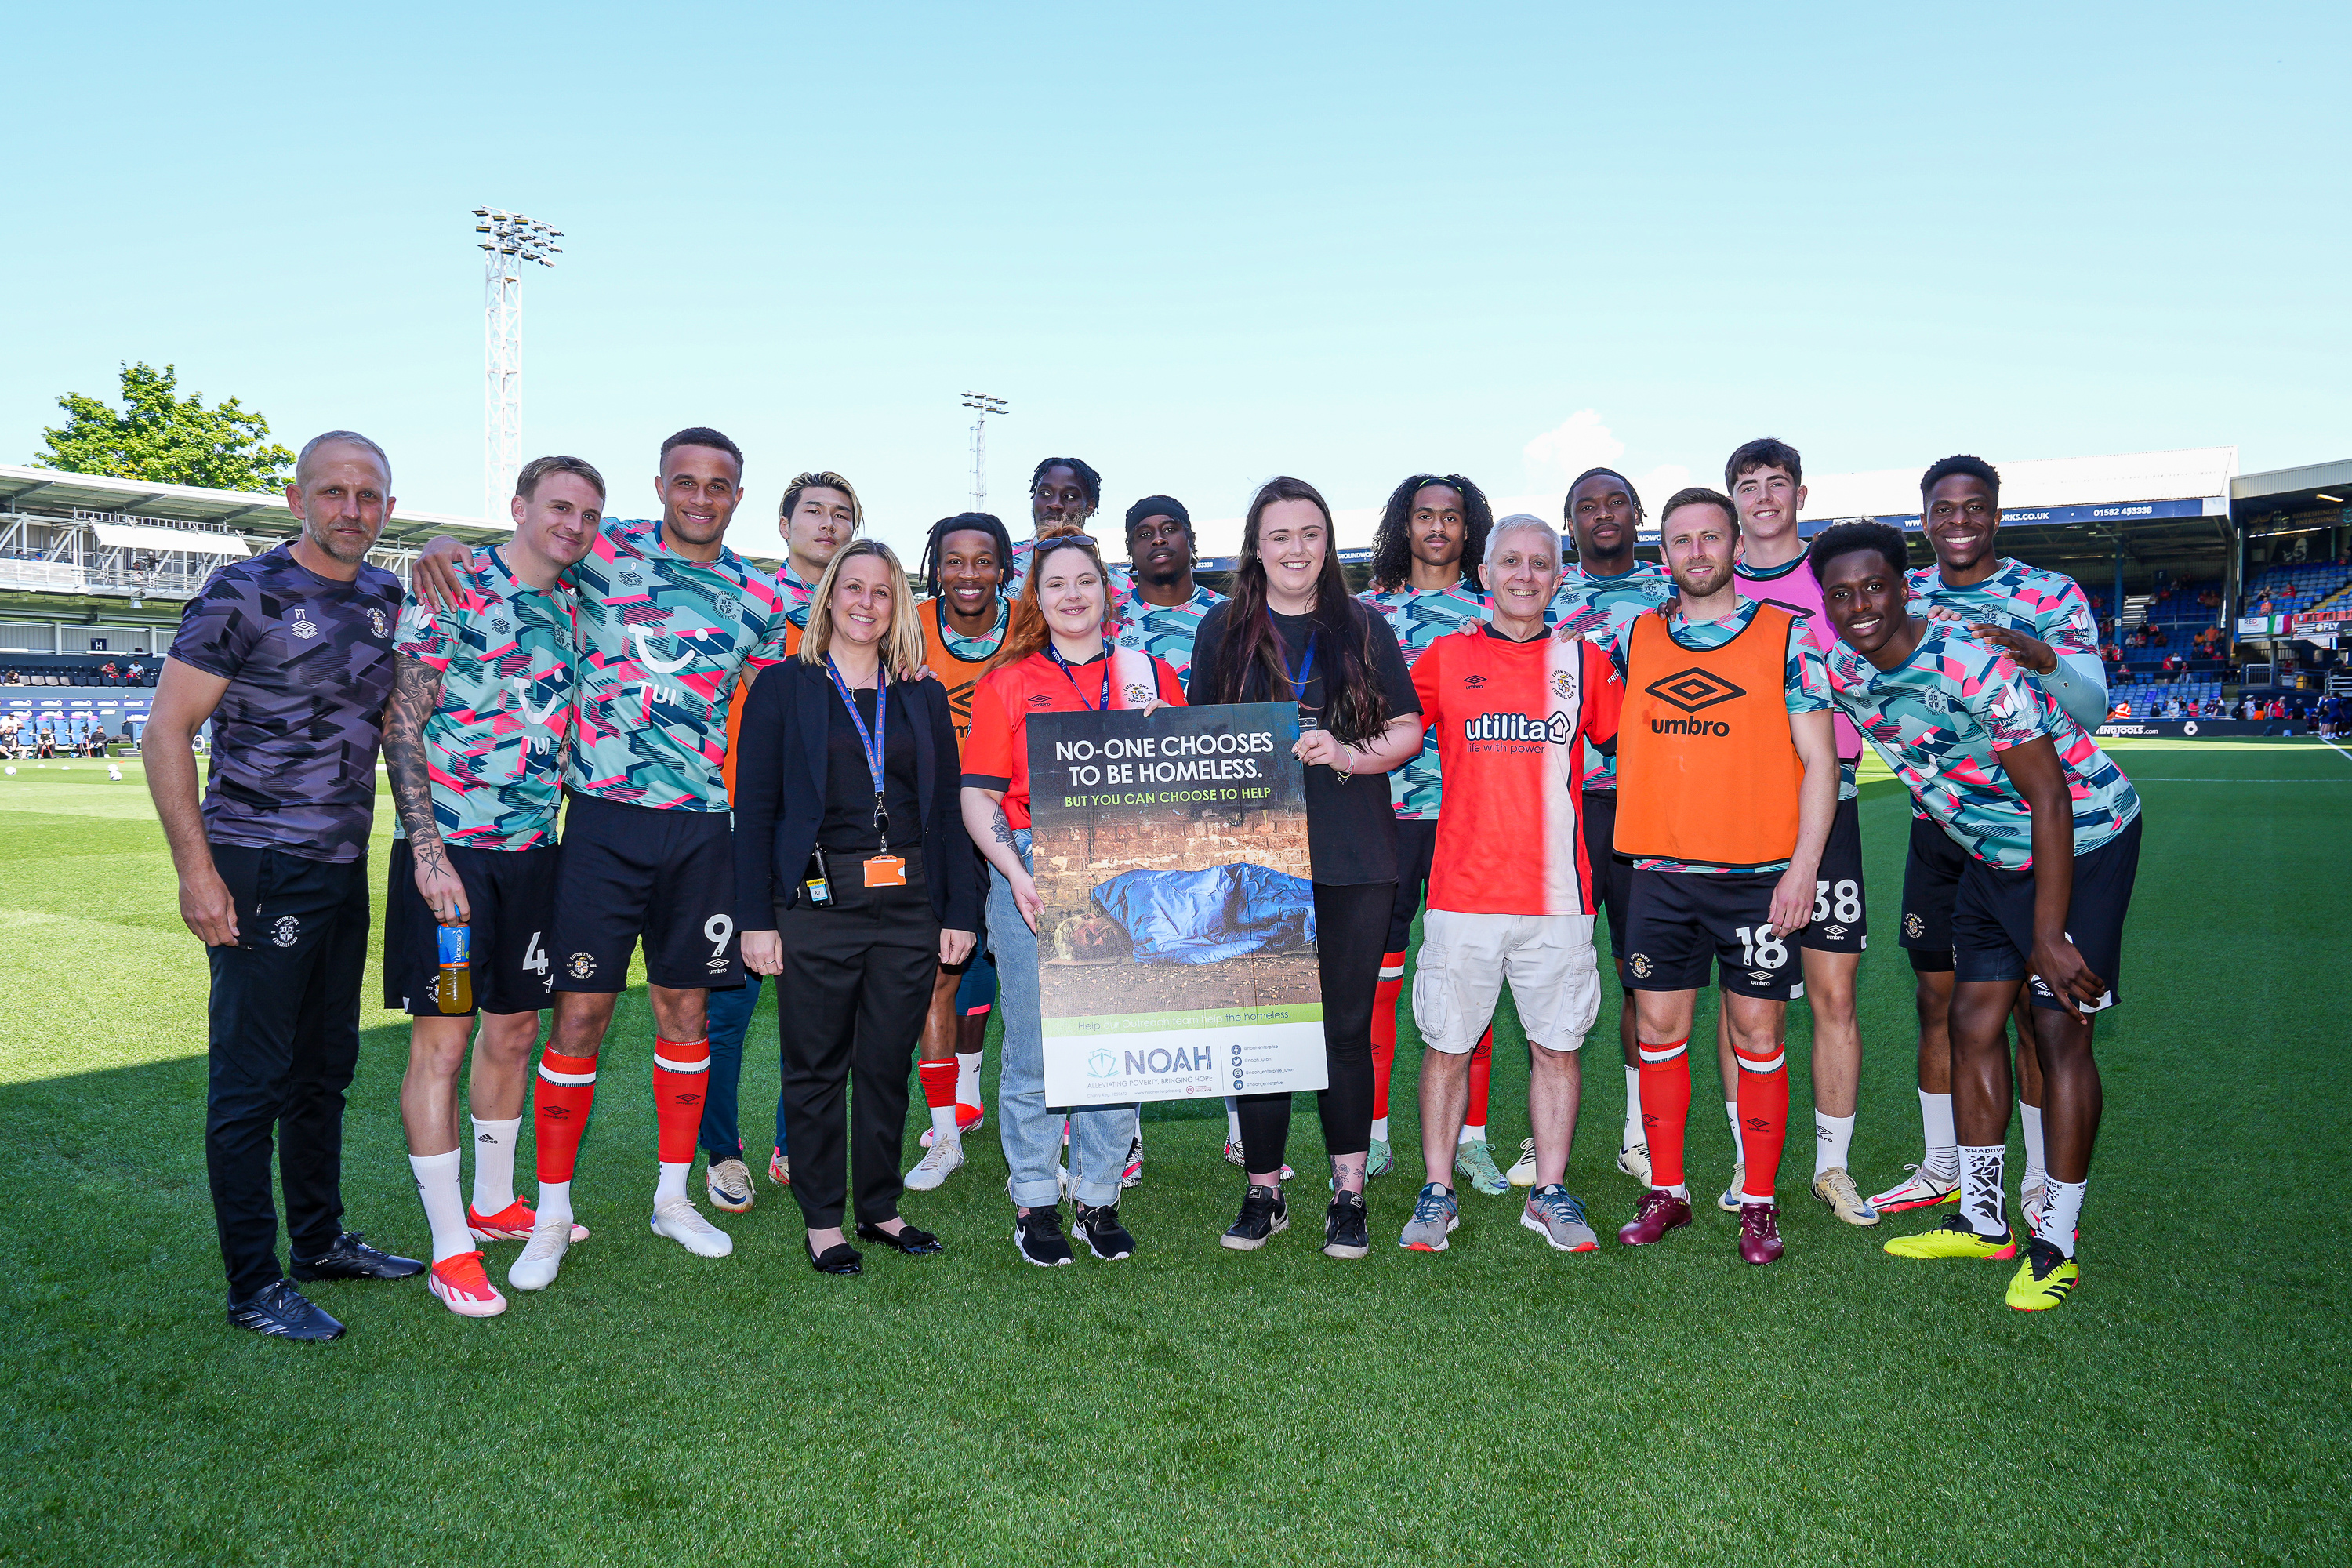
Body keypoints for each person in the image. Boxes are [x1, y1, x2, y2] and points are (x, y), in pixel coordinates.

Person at [412, 427, 795, 1291]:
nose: (701, 497)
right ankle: (549, 1211)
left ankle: (672, 1198)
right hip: (600, 824)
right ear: (660, 486)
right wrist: (442, 544)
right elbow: (523, 548)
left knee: (685, 1013)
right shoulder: (603, 547)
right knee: (578, 1018)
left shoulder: (762, 593)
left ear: (738, 496)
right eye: (686, 482)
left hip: (701, 829)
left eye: (719, 486)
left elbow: (784, 695)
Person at [1813, 521, 2141, 1311]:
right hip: (1989, 852)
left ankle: (2055, 1243)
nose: (1861, 606)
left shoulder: (1968, 661)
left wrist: (2048, 936)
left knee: (2059, 1029)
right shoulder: (1841, 667)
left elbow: (2050, 797)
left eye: (1875, 586)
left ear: (1905, 587)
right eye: (1842, 594)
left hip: (2084, 837)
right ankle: (1983, 1218)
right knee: (1971, 1021)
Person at [145, 430, 422, 1341]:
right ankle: (253, 1283)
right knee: (250, 1079)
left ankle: (320, 1239)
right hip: (257, 863)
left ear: (387, 507)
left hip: (340, 867)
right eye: (333, 491)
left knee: (324, 1068)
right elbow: (167, 729)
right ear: (298, 498)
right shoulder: (243, 591)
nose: (352, 508)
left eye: (369, 495)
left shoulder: (387, 597)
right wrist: (196, 870)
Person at [381, 455, 604, 1318]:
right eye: (559, 507)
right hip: (452, 854)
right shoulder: (455, 584)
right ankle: (450, 1248)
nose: (573, 526)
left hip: (534, 853)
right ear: (519, 507)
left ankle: (494, 1201)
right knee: (443, 1042)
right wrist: (427, 853)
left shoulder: (578, 601)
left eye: (588, 514)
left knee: (513, 1030)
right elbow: (401, 721)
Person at [1187, 477, 1427, 1260]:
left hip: (1354, 851)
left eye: (1311, 533)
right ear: (1256, 547)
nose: (1297, 549)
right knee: (1263, 1026)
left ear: (1328, 542)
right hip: (1256, 858)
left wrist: (1347, 752)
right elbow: (1198, 737)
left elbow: (1409, 729)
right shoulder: (1222, 628)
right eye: (1281, 535)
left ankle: (1348, 1193)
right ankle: (1265, 1189)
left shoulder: (1364, 624)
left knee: (1345, 1028)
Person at [735, 540, 978, 1275]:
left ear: (897, 605)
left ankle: (878, 1207)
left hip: (910, 904)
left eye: (881, 591)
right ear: (829, 598)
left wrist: (959, 911)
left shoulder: (920, 694)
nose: (866, 603)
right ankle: (822, 1220)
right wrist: (757, 919)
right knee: (815, 1066)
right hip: (816, 901)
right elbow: (756, 809)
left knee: (884, 1064)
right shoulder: (784, 687)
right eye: (853, 588)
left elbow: (945, 808)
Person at [1872, 454, 2106, 1221]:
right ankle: (1943, 1166)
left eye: (1975, 506)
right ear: (1924, 521)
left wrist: (2044, 658)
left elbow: (2093, 707)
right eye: (1944, 509)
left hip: (2031, 828)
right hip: (1940, 827)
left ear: (1997, 515)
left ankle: (2039, 1178)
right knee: (1939, 1000)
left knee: (2037, 1010)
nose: (1960, 521)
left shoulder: (2049, 593)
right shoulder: (1903, 592)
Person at [1610, 487, 1836, 1267]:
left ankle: (1760, 1202)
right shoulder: (1635, 638)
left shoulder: (1788, 635)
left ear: (1737, 545)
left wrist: (1803, 868)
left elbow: (1821, 762)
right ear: (1663, 554)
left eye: (1710, 537)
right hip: (1660, 872)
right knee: (1658, 1033)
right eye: (1681, 540)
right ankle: (1666, 1191)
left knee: (1759, 1037)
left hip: (1756, 878)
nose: (1697, 552)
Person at [1399, 514, 1622, 1254]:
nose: (1525, 575)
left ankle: (1549, 1192)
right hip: (1462, 894)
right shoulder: (1446, 655)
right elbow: (1389, 728)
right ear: (1485, 573)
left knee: (1557, 1048)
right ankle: (1438, 1192)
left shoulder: (1583, 661)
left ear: (1559, 577)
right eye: (1511, 561)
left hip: (1559, 899)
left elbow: (1635, 745)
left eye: (1540, 563)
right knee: (1447, 1047)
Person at [961, 528, 1183, 1266]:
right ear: (1038, 597)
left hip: (1127, 870)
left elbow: (1191, 781)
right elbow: (978, 796)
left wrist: (1167, 739)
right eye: (1055, 584)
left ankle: (1097, 1196)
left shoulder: (1150, 674)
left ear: (1106, 590)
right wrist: (1015, 874)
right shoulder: (1009, 681)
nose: (1072, 595)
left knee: (1114, 1041)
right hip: (1031, 865)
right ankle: (1034, 1199)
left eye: (1084, 580)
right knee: (1035, 1047)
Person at [1720, 439, 1877, 1226]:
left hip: (1830, 801)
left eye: (1776, 483)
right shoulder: (1711, 580)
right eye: (1748, 486)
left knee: (1833, 993)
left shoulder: (1832, 578)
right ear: (1734, 501)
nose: (1763, 497)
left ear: (1801, 495)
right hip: (1740, 810)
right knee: (1747, 998)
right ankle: (1747, 1160)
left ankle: (1831, 1166)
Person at [705, 470, 865, 1213]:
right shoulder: (743, 595)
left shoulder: (864, 610)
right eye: (814, 512)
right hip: (742, 820)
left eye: (842, 515)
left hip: (829, 838)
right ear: (783, 524)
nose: (828, 525)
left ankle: (793, 1142)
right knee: (728, 1003)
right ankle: (722, 1151)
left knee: (820, 1003)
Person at [1356, 473, 1504, 1191]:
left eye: (1451, 516)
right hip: (1381, 817)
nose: (1437, 527)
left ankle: (1472, 1139)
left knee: (1471, 983)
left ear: (1469, 529)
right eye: (1424, 516)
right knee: (1378, 984)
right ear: (1403, 525)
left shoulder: (1492, 610)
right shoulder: (1366, 612)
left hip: (1469, 821)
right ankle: (1374, 1133)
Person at [1548, 468, 1675, 1189]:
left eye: (1616, 502)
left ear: (1637, 513)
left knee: (1639, 973)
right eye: (1587, 505)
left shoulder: (1672, 592)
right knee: (1550, 968)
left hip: (1648, 805)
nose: (1603, 514)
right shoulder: (1546, 593)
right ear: (1570, 522)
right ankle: (1545, 1134)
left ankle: (1636, 1133)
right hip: (1563, 805)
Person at [905, 510, 1018, 1192]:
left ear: (1003, 567)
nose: (968, 574)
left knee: (1048, 982)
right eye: (954, 560)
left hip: (1019, 825)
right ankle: (946, 1134)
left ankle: (1055, 1133)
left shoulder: (1031, 625)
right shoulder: (908, 626)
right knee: (938, 979)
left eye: (983, 560)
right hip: (938, 828)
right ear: (936, 567)